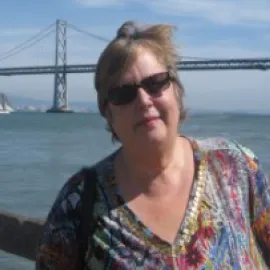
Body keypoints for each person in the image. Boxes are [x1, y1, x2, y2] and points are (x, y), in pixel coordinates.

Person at [36, 21, 270, 269]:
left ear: (176, 91)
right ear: (108, 113)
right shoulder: (78, 203)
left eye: (155, 82)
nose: (144, 101)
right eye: (124, 93)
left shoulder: (236, 167)